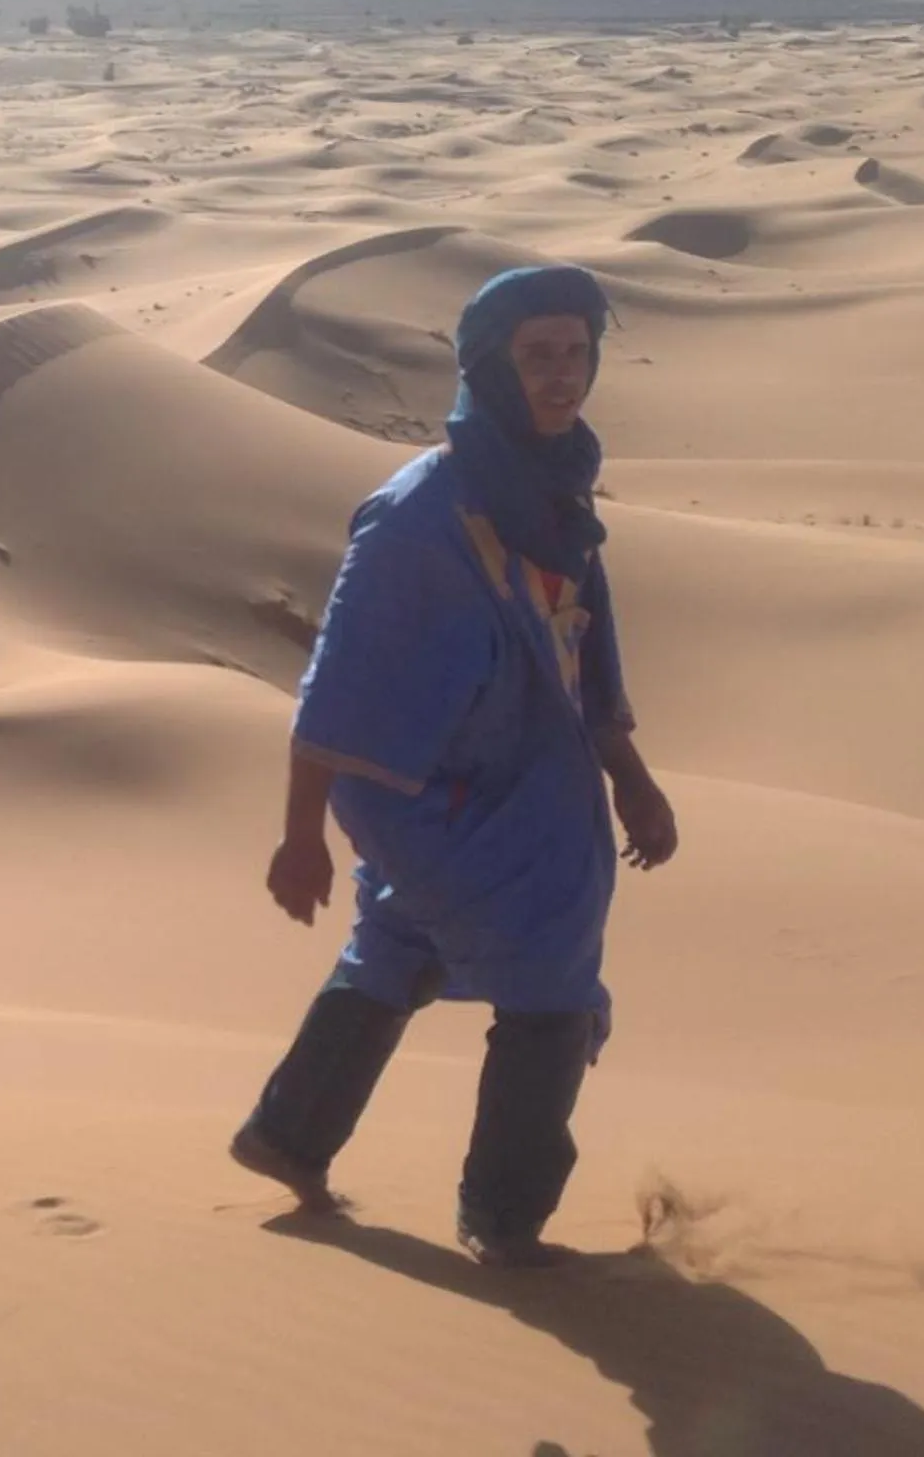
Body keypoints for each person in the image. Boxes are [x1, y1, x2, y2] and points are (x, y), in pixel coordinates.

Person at [230, 264, 681, 1268]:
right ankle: (506, 1219)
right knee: (551, 976)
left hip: (531, 778)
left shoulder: (553, 484)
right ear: (490, 365)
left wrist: (631, 777)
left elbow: (580, 647)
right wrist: (301, 834)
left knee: (401, 943)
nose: (563, 377)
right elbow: (340, 685)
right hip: (428, 794)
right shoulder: (422, 517)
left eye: (577, 353)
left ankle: (288, 1137)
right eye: (538, 357)